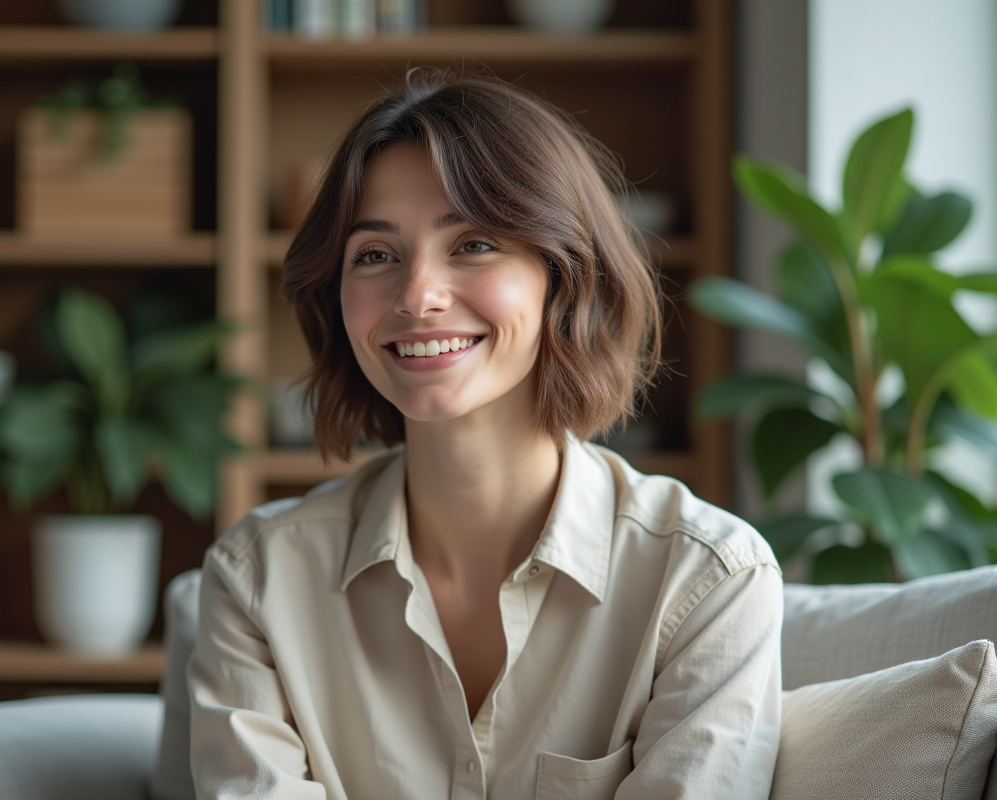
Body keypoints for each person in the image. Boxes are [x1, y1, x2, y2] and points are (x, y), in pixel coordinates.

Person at [189, 70, 783, 800]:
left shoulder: (707, 583)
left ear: (564, 278)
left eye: (472, 243)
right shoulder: (256, 582)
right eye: (375, 255)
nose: (416, 296)